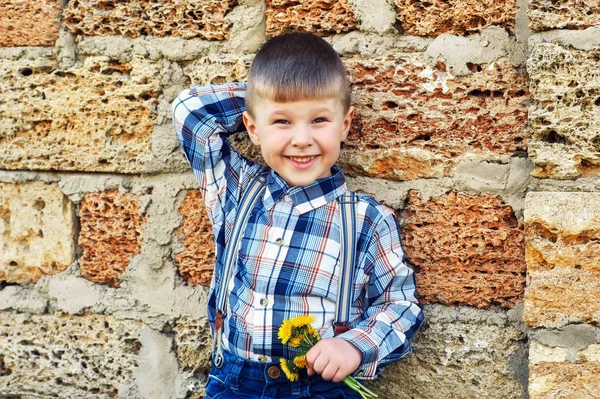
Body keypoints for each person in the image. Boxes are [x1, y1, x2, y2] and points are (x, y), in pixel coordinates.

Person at [172, 32, 423, 399]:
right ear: (252, 128)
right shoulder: (236, 189)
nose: (302, 139)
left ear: (346, 124)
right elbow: (189, 112)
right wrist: (266, 94)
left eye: (319, 119)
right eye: (283, 122)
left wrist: (354, 346)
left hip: (319, 388)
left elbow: (400, 305)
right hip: (233, 384)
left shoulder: (367, 220)